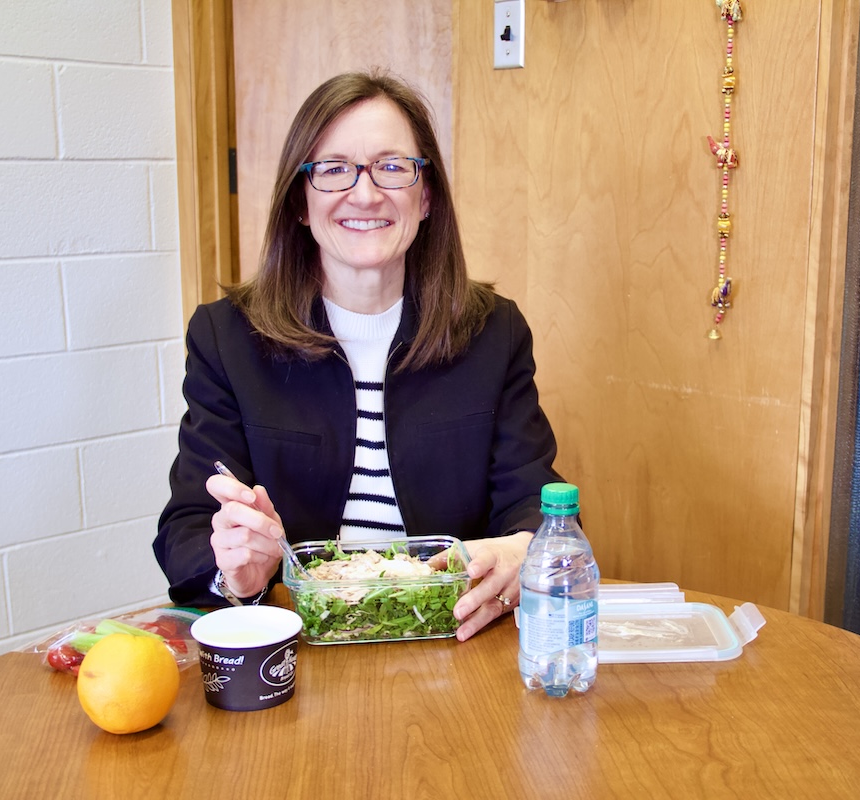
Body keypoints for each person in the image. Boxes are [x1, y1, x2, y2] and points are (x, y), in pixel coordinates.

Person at [154, 69, 560, 641]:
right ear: (300, 200)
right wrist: (236, 573)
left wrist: (524, 549)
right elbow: (188, 529)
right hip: (297, 649)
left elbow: (536, 501)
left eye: (392, 167)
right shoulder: (228, 337)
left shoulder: (495, 331)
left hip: (451, 639)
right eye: (334, 169)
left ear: (427, 197)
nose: (365, 193)